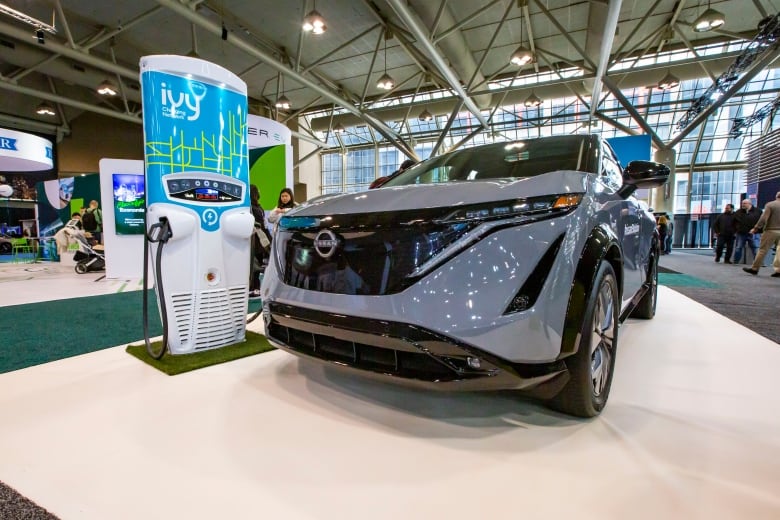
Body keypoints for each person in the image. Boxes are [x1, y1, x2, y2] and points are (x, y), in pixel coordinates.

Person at [743, 191, 780, 277]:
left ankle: (755, 268)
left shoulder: (770, 205)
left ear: (776, 196)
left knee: (762, 250)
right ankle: (778, 270)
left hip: (770, 230)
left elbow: (763, 219)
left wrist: (755, 228)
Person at [249, 185, 273, 298]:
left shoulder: (254, 207)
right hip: (257, 240)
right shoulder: (255, 208)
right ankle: (255, 287)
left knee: (255, 265)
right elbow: (263, 226)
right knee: (255, 266)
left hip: (256, 240)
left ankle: (254, 287)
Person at [733, 198, 762, 264]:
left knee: (755, 248)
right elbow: (734, 222)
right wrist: (736, 230)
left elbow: (761, 221)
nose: (742, 205)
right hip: (741, 233)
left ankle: (757, 263)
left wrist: (759, 230)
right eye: (742, 203)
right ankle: (736, 261)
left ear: (750, 204)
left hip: (754, 233)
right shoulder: (738, 212)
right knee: (738, 248)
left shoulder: (758, 211)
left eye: (744, 203)